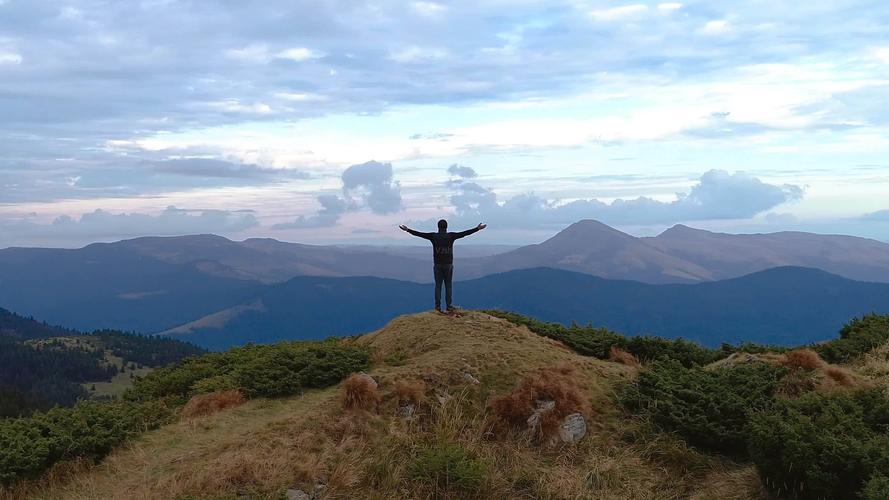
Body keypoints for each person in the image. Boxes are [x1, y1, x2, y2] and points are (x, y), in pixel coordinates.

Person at [399, 220, 486, 312]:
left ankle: (437, 307)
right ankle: (449, 306)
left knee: (438, 286)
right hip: (448, 265)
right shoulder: (451, 236)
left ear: (438, 227)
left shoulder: (433, 236)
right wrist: (477, 229)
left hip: (437, 265)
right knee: (448, 285)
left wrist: (407, 230)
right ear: (446, 227)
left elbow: (420, 234)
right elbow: (464, 233)